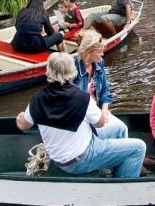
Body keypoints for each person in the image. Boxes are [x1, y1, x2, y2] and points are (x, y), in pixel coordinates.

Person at [16, 52, 146, 178]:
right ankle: (123, 185)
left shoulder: (37, 99)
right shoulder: (82, 98)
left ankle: (120, 166)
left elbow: (23, 125)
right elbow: (100, 123)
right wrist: (96, 107)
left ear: (49, 71)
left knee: (120, 128)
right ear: (72, 72)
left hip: (61, 159)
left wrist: (20, 117)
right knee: (139, 147)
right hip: (81, 160)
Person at [72, 29, 129, 139]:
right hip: (82, 116)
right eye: (99, 52)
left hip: (97, 111)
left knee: (122, 128)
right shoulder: (72, 69)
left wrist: (104, 111)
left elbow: (105, 90)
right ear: (88, 52)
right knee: (118, 130)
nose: (102, 54)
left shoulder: (99, 63)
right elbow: (71, 101)